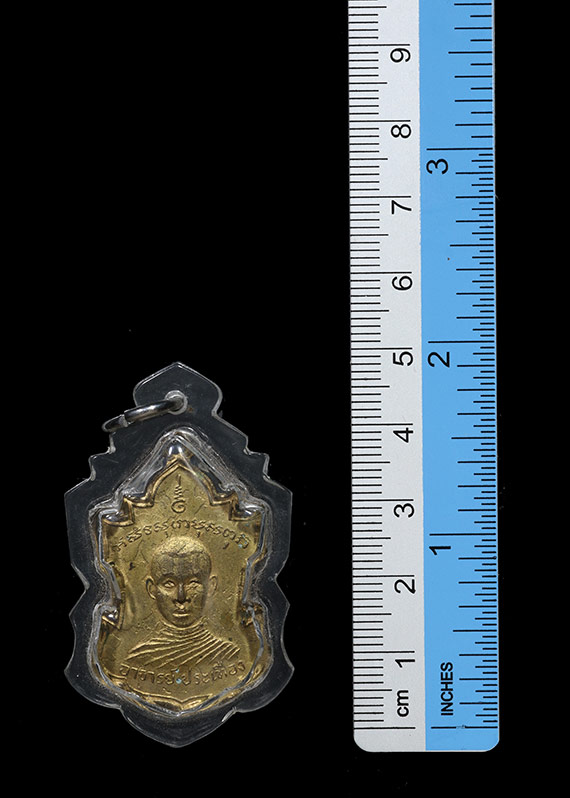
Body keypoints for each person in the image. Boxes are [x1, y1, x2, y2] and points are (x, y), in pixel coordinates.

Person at [124, 536, 241, 672]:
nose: (181, 597)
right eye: (169, 583)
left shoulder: (228, 653)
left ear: (210, 587)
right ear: (152, 589)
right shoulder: (138, 658)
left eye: (193, 583)